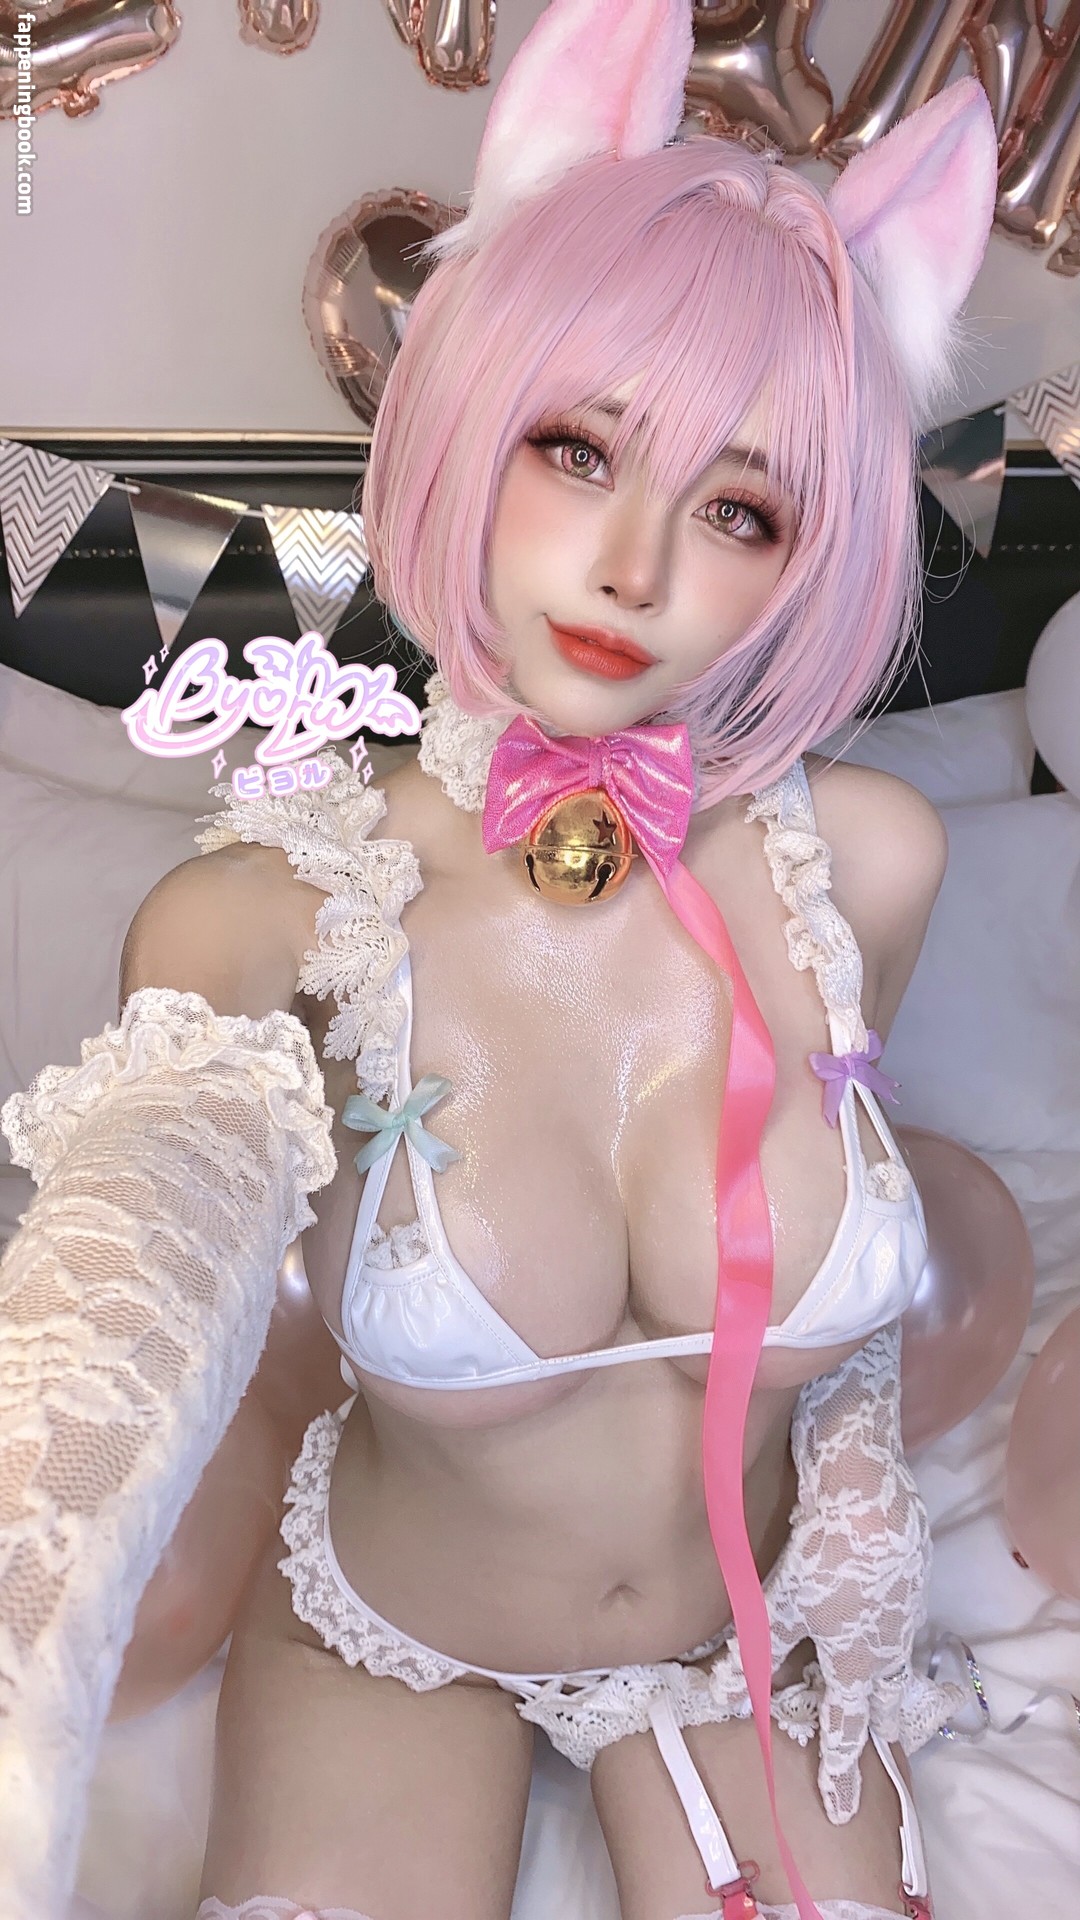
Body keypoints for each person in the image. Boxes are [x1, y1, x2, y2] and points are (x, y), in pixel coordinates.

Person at [0, 4, 998, 1917]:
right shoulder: (263, 909)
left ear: (814, 553)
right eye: (578, 448)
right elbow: (122, 1291)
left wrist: (860, 1486)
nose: (635, 567)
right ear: (468, 414)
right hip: (397, 1630)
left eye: (739, 508)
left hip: (749, 1631)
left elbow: (850, 1224)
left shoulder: (866, 864)